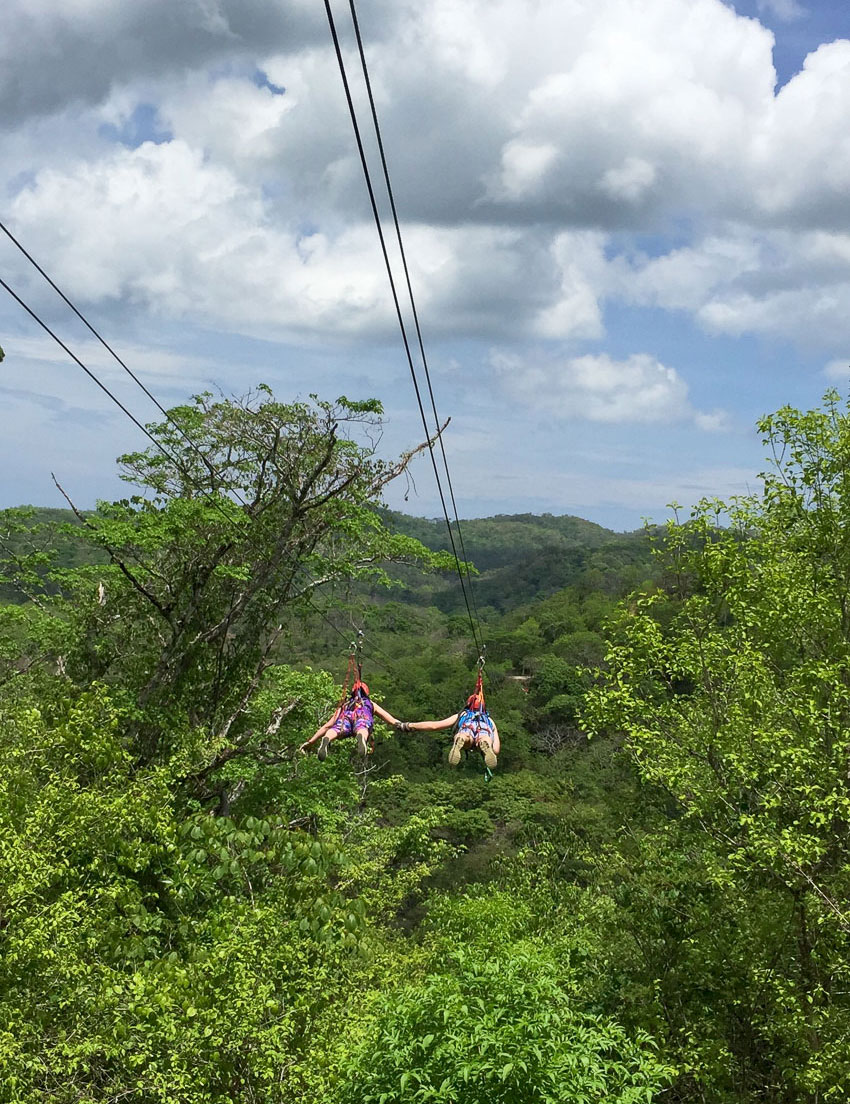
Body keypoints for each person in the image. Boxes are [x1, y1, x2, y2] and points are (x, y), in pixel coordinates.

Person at [299, 680, 399, 760]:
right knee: (362, 726)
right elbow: (390, 720)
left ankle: (327, 738)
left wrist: (310, 742)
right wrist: (401, 724)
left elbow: (327, 725)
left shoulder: (345, 705)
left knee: (337, 728)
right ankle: (362, 737)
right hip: (362, 714)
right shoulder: (370, 703)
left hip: (345, 715)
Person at [398, 692, 500, 769]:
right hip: (484, 728)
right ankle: (484, 742)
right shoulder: (490, 720)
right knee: (484, 739)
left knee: (465, 738)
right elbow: (496, 750)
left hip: (466, 725)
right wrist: (491, 749)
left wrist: (409, 725)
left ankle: (461, 738)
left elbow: (434, 726)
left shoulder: (462, 715)